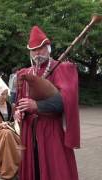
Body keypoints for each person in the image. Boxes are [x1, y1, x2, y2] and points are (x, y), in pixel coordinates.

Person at [14, 26, 80, 180]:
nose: (37, 52)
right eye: (34, 49)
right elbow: (20, 101)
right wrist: (18, 111)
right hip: (29, 132)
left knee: (56, 171)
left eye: (41, 48)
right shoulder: (25, 73)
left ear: (48, 48)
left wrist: (37, 106)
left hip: (51, 131)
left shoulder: (62, 69)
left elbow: (65, 101)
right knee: (34, 169)